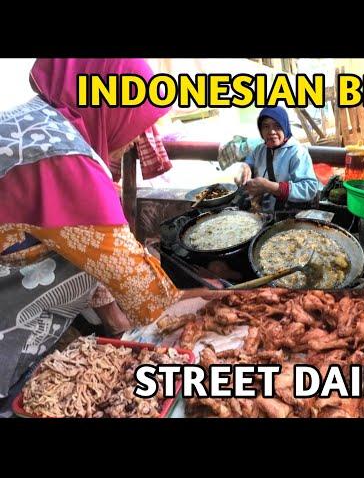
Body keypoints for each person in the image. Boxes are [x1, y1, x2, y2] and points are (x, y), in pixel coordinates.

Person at [0, 58, 213, 399]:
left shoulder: (37, 124)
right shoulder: (61, 157)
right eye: (136, 120)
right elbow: (142, 289)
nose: (133, 141)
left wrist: (115, 321)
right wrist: (221, 304)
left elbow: (87, 247)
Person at [234, 106, 319, 213]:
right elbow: (251, 158)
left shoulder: (297, 152)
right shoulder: (260, 149)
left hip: (289, 216)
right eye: (266, 126)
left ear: (285, 127)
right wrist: (245, 166)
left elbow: (310, 188)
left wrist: (269, 187)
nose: (271, 132)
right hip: (263, 213)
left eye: (277, 126)